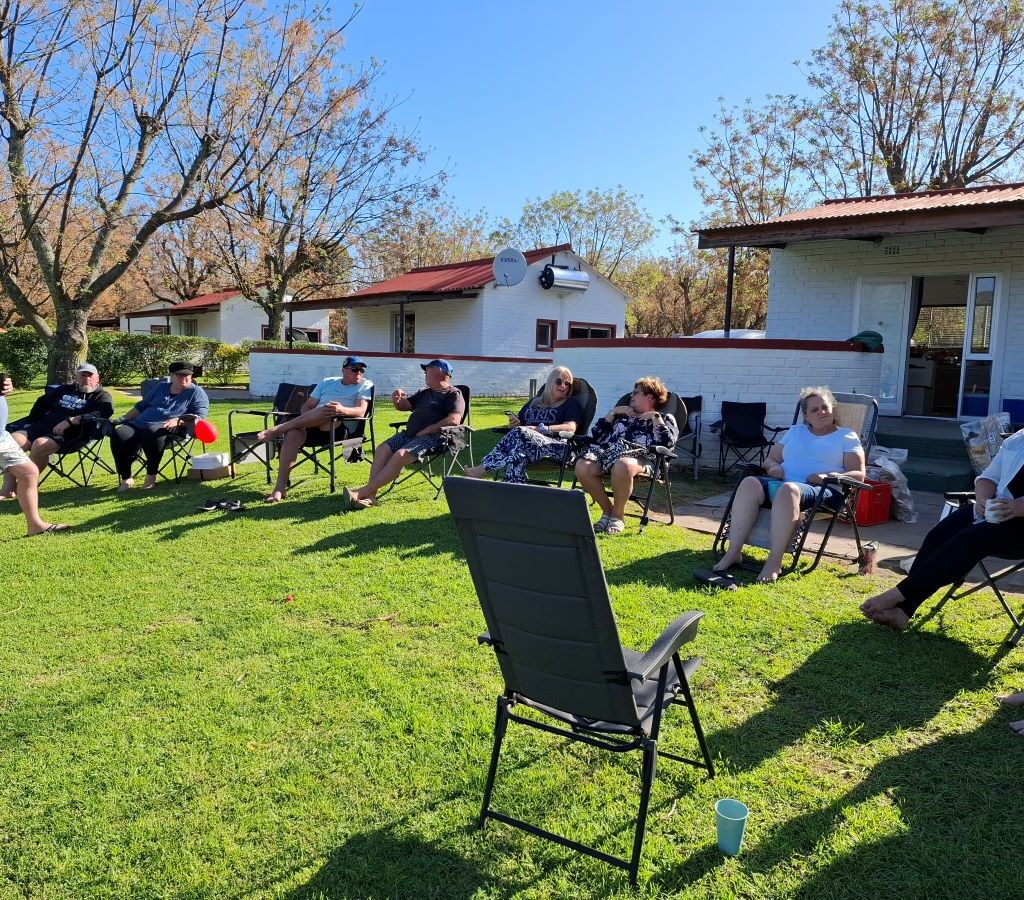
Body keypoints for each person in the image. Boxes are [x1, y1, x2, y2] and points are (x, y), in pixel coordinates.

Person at [861, 426, 1024, 631]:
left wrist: (1018, 508)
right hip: (994, 513)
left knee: (971, 540)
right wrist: (982, 498)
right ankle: (904, 611)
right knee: (939, 534)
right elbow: (988, 478)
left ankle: (898, 594)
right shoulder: (1017, 440)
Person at [709, 386, 865, 584]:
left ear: (833, 410)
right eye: (814, 410)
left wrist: (828, 475)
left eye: (825, 407)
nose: (821, 412)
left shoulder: (846, 436)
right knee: (749, 483)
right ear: (806, 416)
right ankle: (733, 552)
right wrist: (774, 467)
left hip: (824, 490)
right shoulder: (795, 431)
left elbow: (858, 474)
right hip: (783, 484)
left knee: (788, 490)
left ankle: (775, 561)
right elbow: (770, 460)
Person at [343, 359, 465, 510]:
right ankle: (371, 495)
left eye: (427, 370)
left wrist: (427, 430)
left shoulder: (454, 394)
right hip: (409, 435)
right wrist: (397, 399)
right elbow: (404, 406)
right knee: (382, 449)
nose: (424, 373)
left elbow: (454, 420)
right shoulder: (424, 393)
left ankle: (362, 492)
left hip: (435, 437)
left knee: (400, 455)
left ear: (439, 372)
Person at [256, 356, 374, 503]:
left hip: (338, 427)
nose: (359, 373)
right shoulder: (327, 382)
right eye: (355, 369)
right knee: (293, 434)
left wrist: (341, 409)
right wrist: (309, 418)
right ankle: (279, 488)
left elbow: (361, 411)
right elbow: (307, 406)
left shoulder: (365, 384)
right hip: (312, 426)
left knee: (328, 410)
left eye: (362, 370)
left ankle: (277, 430)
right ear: (344, 370)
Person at [573, 376, 678, 535]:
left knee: (623, 464)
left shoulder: (663, 418)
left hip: (643, 460)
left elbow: (668, 444)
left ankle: (618, 516)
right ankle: (607, 511)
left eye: (636, 393)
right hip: (608, 456)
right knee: (582, 466)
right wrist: (613, 412)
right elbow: (596, 437)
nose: (631, 396)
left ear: (649, 396)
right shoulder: (622, 415)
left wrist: (655, 418)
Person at [1, 362, 114, 498]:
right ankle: (8, 488)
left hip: (70, 435)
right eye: (83, 375)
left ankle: (26, 485)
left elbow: (105, 413)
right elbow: (42, 402)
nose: (87, 379)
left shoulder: (101, 396)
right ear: (76, 377)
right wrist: (30, 421)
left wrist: (73, 419)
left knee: (40, 444)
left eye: (90, 376)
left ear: (98, 378)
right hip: (42, 426)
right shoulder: (64, 389)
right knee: (13, 441)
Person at [464, 366, 582, 483]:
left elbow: (570, 427)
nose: (563, 386)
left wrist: (541, 429)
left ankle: (482, 469)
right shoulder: (534, 403)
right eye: (559, 381)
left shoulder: (570, 404)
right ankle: (513, 491)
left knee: (520, 436)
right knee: (517, 455)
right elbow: (519, 427)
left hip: (556, 447)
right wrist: (513, 424)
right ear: (550, 382)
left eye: (568, 384)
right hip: (528, 446)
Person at [108, 361, 210, 492]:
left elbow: (199, 415)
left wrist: (179, 420)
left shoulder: (196, 392)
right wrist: (122, 419)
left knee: (151, 433)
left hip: (171, 428)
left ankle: (151, 476)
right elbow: (142, 406)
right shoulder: (161, 387)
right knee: (119, 435)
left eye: (188, 375)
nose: (184, 378)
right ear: (172, 376)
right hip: (141, 423)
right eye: (180, 375)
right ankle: (126, 478)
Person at [0, 375, 70, 535]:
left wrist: (5, 387)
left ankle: (35, 525)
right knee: (29, 472)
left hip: (2, 437)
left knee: (29, 472)